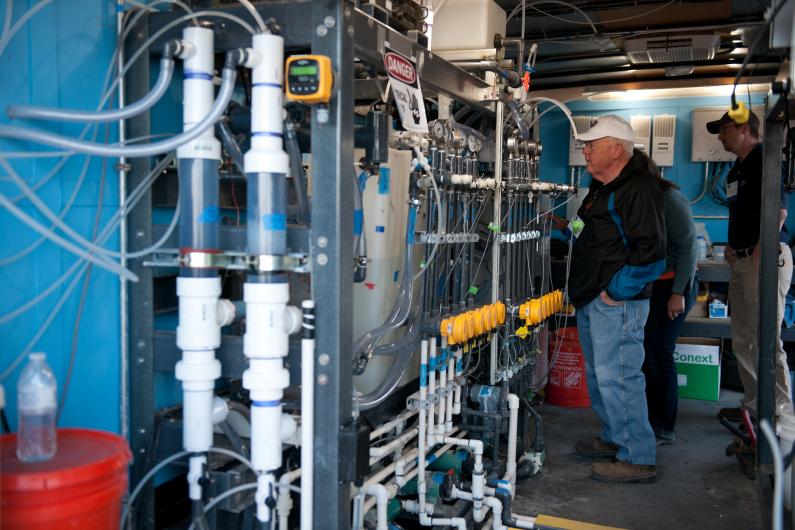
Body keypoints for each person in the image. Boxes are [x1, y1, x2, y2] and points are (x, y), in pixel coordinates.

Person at [568, 115, 666, 484]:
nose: (585, 150)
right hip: (592, 296)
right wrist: (561, 228)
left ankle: (638, 457)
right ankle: (614, 437)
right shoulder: (599, 187)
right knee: (600, 375)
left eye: (593, 144)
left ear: (617, 149)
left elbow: (652, 252)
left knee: (620, 376)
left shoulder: (638, 188)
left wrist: (616, 291)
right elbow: (583, 225)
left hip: (616, 301)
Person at [707, 109, 794, 420]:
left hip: (764, 259)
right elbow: (742, 213)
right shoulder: (735, 171)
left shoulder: (764, 160)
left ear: (744, 128)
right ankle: (756, 408)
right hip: (742, 260)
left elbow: (779, 213)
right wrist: (733, 245)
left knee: (766, 341)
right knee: (743, 339)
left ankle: (782, 415)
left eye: (724, 129)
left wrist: (761, 249)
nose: (720, 136)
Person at [638, 152, 698, 444]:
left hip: (672, 287)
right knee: (649, 355)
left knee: (660, 354)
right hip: (653, 286)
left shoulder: (670, 199)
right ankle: (650, 420)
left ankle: (664, 426)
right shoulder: (642, 201)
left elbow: (688, 248)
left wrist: (677, 294)